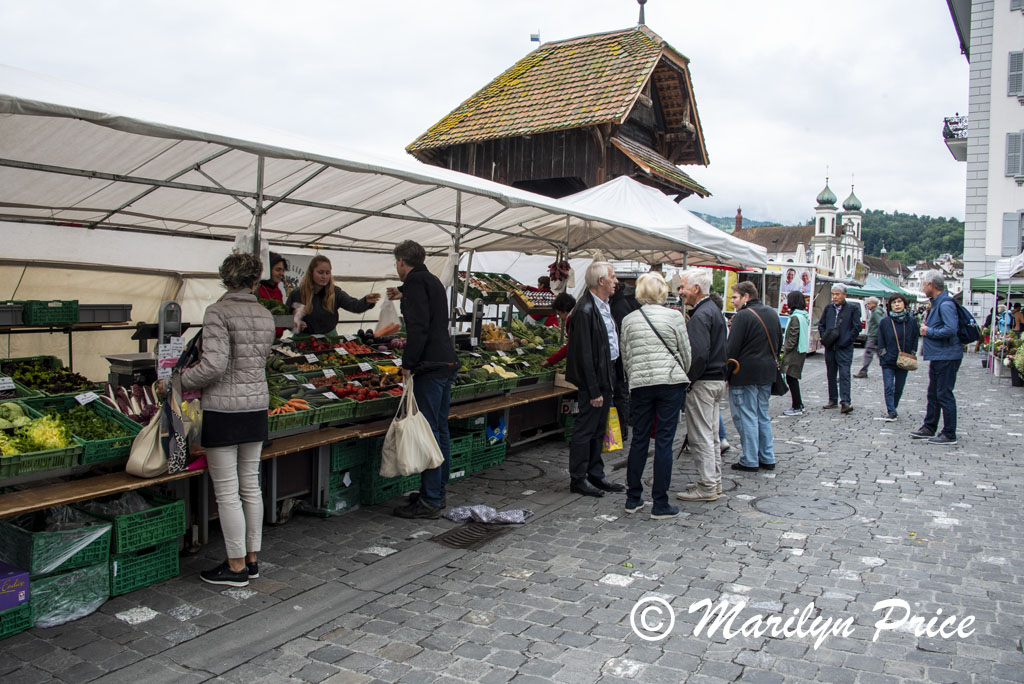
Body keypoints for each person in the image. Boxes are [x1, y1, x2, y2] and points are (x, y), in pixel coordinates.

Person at [174, 253, 274, 587]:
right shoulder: (264, 314)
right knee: (251, 485)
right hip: (257, 406)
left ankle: (234, 568)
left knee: (229, 492)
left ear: (224, 280)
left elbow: (213, 366)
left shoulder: (217, 312)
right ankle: (252, 560)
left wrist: (178, 381)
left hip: (224, 410)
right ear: (255, 281)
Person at [386, 241, 460, 518]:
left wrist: (407, 364)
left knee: (429, 433)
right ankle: (437, 492)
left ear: (402, 262)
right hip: (446, 361)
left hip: (429, 365)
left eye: (397, 263)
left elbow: (418, 328)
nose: (397, 267)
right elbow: (424, 298)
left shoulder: (416, 284)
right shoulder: (431, 280)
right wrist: (401, 291)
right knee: (440, 431)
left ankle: (430, 498)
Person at [620, 273, 690, 519]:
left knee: (639, 438)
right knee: (664, 441)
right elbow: (685, 351)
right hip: (670, 382)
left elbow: (625, 356)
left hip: (641, 385)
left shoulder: (629, 320)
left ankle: (633, 498)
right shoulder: (674, 316)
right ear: (662, 292)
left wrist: (635, 377)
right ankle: (660, 502)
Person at [564, 262, 625, 497]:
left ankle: (595, 474)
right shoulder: (585, 310)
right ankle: (578, 478)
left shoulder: (603, 306)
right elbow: (584, 354)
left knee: (599, 428)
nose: (616, 281)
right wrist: (593, 389)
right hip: (594, 378)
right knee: (586, 428)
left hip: (606, 373)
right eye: (612, 276)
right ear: (601, 281)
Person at [674, 268, 727, 502]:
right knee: (712, 435)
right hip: (715, 380)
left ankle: (707, 486)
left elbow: (699, 355)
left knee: (702, 436)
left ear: (696, 288)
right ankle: (714, 482)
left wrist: (688, 380)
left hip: (704, 382)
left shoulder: (701, 315)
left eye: (683, 286)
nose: (680, 291)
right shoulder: (713, 310)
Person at [726, 281, 782, 473]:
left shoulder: (743, 316)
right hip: (766, 372)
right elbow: (779, 342)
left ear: (746, 297)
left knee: (746, 415)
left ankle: (750, 458)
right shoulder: (772, 313)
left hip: (744, 373)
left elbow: (731, 349)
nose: (733, 301)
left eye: (735, 297)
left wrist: (725, 374)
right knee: (761, 415)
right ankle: (767, 456)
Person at [911, 270, 963, 445]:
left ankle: (949, 433)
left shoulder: (945, 304)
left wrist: (928, 331)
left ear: (932, 285)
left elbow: (951, 329)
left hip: (947, 355)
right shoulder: (937, 302)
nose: (923, 287)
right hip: (939, 355)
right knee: (933, 393)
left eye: (924, 284)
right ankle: (929, 426)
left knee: (943, 393)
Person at [285, 255, 380, 335]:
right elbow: (281, 320)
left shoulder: (335, 293)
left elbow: (354, 306)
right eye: (320, 272)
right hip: (303, 340)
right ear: (311, 273)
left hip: (330, 339)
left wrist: (366, 301)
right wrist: (295, 324)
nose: (324, 276)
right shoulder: (297, 294)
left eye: (327, 273)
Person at [817, 283, 861, 413]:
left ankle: (845, 401)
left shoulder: (852, 309)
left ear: (844, 295)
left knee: (844, 374)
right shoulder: (828, 308)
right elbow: (821, 324)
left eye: (837, 294)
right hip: (830, 346)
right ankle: (832, 400)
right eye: (833, 294)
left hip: (844, 347)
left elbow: (857, 327)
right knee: (831, 373)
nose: (835, 297)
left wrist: (847, 339)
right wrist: (825, 337)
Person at [877, 293, 920, 422]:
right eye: (894, 302)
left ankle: (893, 406)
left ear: (904, 304)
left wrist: (913, 351)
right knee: (889, 386)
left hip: (905, 359)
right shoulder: (885, 322)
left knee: (899, 387)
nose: (896, 305)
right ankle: (891, 410)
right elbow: (880, 339)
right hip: (888, 359)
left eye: (899, 302)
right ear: (890, 306)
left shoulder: (911, 321)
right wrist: (883, 353)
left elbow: (915, 338)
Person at [609, 280, 639, 441]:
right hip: (624, 355)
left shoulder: (619, 306)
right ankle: (622, 430)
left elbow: (620, 334)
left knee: (620, 392)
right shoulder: (624, 302)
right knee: (622, 392)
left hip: (621, 356)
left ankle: (621, 431)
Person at [780, 290, 809, 416]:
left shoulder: (795, 317)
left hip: (794, 353)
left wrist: (784, 349)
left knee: (791, 378)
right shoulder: (803, 316)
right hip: (800, 351)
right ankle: (799, 404)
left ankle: (796, 405)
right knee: (793, 378)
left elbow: (792, 337)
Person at [540, 293, 576, 367]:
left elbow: (571, 345)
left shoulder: (572, 319)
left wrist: (550, 360)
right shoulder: (578, 313)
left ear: (564, 310)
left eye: (559, 314)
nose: (559, 317)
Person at [257, 252, 289, 338]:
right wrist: (289, 322)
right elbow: (261, 321)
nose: (282, 273)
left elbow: (279, 319)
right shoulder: (257, 291)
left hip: (276, 341)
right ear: (267, 270)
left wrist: (294, 323)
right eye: (278, 270)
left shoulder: (278, 291)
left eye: (283, 270)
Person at [854, 297, 884, 378]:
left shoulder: (876, 312)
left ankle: (863, 371)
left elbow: (880, 324)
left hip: (874, 337)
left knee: (868, 354)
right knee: (880, 355)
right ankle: (887, 369)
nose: (867, 305)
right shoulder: (877, 311)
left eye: (869, 303)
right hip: (875, 337)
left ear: (874, 304)